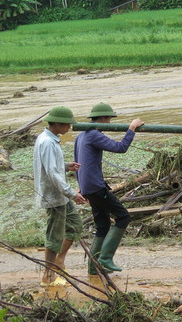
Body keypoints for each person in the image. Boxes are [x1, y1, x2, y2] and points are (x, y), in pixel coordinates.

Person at [74, 103, 144, 274]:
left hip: (89, 187)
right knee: (123, 217)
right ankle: (105, 258)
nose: (111, 122)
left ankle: (93, 268)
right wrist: (132, 128)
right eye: (110, 119)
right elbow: (121, 148)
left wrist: (81, 187)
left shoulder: (81, 135)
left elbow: (77, 164)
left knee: (103, 226)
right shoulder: (94, 135)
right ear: (103, 119)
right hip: (97, 188)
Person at [33, 106, 88, 286]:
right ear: (57, 123)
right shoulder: (47, 142)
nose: (69, 128)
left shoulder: (49, 139)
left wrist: (66, 166)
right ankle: (47, 276)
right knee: (54, 235)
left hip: (60, 195)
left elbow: (53, 167)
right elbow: (52, 173)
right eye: (67, 125)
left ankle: (59, 261)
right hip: (54, 196)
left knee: (74, 225)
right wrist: (72, 193)